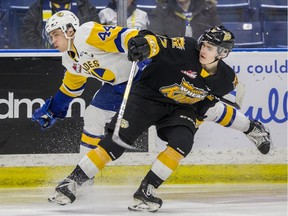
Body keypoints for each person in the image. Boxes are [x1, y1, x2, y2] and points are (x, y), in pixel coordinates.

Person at [42, 14, 270, 212]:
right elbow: (158, 42)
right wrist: (143, 43)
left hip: (175, 101)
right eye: (204, 44)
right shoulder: (186, 48)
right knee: (112, 135)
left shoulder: (225, 78)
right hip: (146, 92)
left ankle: (252, 129)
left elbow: (219, 101)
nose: (204, 50)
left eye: (211, 48)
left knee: (200, 119)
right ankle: (74, 181)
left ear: (222, 54)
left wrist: (192, 123)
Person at [21, 0, 99, 48]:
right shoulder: (36, 9)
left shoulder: (86, 8)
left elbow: (95, 36)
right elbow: (29, 40)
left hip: (80, 60)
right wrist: (54, 48)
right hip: (47, 61)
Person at [148, 0, 221, 39]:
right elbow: (155, 36)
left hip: (202, 56)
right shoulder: (161, 10)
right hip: (172, 56)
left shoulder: (207, 9)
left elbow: (219, 34)